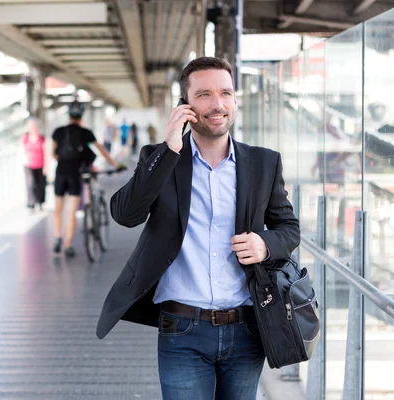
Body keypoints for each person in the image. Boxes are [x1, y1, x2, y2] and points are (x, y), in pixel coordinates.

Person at [96, 57, 300, 400]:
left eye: (225, 93)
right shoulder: (160, 158)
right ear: (185, 105)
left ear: (235, 100)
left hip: (247, 328)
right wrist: (171, 147)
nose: (217, 104)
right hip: (182, 329)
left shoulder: (264, 162)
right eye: (204, 94)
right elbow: (125, 214)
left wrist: (265, 244)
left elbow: (288, 228)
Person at [52, 100, 121, 257]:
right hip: (76, 174)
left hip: (61, 172)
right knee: (72, 211)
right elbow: (102, 151)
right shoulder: (86, 133)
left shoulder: (58, 131)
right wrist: (115, 165)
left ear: (69, 115)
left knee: (58, 208)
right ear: (81, 116)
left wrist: (63, 161)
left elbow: (53, 153)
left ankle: (57, 237)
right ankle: (68, 245)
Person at [21, 118, 46, 212]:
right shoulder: (25, 137)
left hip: (40, 164)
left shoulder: (42, 138)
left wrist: (46, 166)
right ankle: (31, 203)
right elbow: (21, 150)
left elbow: (45, 152)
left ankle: (40, 202)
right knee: (30, 184)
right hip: (28, 164)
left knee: (41, 184)